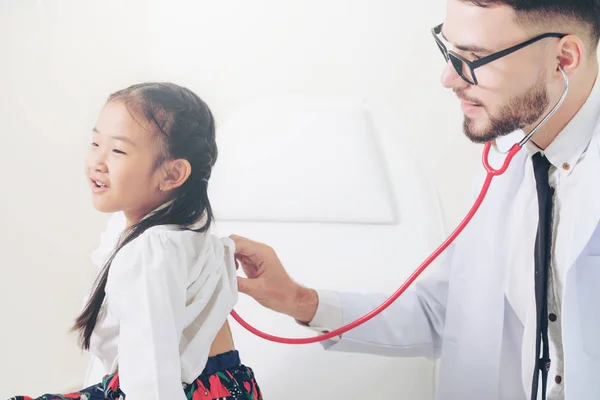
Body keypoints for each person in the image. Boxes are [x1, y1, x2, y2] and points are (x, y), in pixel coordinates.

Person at [230, 1, 600, 399]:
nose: (448, 78)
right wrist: (300, 301)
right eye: (449, 52)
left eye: (474, 58)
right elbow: (449, 313)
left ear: (564, 58)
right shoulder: (509, 159)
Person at [10, 83, 263, 400]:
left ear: (172, 175)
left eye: (117, 150)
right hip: (230, 387)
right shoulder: (192, 234)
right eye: (95, 143)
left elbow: (152, 380)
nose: (97, 162)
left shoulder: (150, 251)